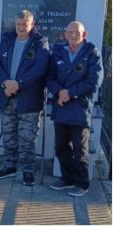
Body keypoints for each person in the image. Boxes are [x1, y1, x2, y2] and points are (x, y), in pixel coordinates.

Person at [0, 10, 50, 186]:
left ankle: (28, 171)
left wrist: (18, 84)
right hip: (7, 96)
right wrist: (5, 83)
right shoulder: (7, 40)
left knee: (27, 138)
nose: (21, 28)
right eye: (18, 24)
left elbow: (40, 68)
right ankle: (9, 167)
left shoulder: (40, 42)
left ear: (32, 24)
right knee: (9, 135)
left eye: (25, 24)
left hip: (29, 100)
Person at [46, 21, 104, 197]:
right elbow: (49, 77)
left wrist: (70, 93)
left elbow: (94, 81)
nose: (72, 35)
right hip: (61, 106)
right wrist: (59, 92)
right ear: (64, 34)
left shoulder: (92, 52)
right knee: (61, 147)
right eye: (69, 32)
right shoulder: (57, 51)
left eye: (76, 32)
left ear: (84, 34)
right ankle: (67, 179)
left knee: (80, 150)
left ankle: (81, 183)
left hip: (79, 107)